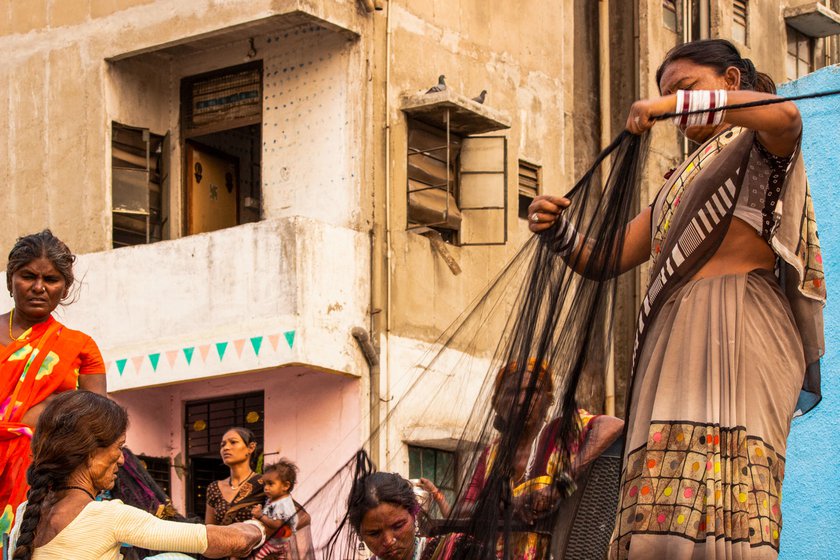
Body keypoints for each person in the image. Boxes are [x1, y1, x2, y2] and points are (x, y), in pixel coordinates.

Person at [528, 39, 824, 559]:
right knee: (660, 521)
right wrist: (558, 232)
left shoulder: (757, 142)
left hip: (737, 325)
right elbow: (605, 258)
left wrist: (670, 106)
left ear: (732, 82)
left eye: (685, 89)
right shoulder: (678, 181)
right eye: (667, 95)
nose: (674, 107)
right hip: (673, 336)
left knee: (726, 504)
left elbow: (787, 118)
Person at [8, 391, 265, 559]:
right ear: (89, 454)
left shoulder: (23, 515)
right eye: (119, 448)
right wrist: (259, 526)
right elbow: (230, 541)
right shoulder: (109, 517)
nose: (121, 459)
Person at [424, 359, 621, 560]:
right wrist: (502, 504)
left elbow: (612, 426)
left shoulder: (562, 432)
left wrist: (559, 487)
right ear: (496, 404)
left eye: (532, 391)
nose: (522, 400)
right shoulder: (493, 454)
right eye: (512, 392)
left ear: (548, 400)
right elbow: (464, 509)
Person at [0, 230, 107, 541]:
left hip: (42, 484)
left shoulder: (81, 348)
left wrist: (47, 412)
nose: (38, 287)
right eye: (27, 276)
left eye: (51, 279)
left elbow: (100, 428)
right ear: (10, 280)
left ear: (65, 288)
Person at [348, 471, 427, 560]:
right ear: (361, 535)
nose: (389, 541)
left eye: (398, 526)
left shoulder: (443, 553)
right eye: (374, 533)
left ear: (413, 515)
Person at [205, 427, 265, 526]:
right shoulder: (214, 488)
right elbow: (210, 528)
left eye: (233, 442)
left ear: (251, 448)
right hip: (222, 541)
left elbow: (295, 516)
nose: (226, 448)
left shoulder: (263, 483)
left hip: (254, 541)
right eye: (222, 445)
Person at [249, 459, 300, 560]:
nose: (266, 488)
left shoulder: (283, 504)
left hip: (276, 543)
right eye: (265, 484)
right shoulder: (274, 498)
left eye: (270, 484)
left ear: (285, 486)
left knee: (255, 557)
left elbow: (277, 524)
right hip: (279, 542)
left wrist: (260, 516)